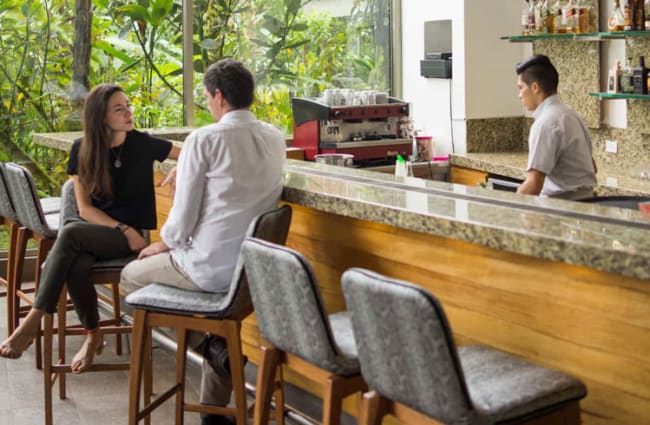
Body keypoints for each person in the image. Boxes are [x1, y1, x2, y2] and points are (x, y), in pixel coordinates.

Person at [120, 58, 286, 425]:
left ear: (219, 96)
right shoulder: (275, 137)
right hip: (253, 274)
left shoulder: (205, 139)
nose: (208, 105)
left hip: (209, 270)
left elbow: (181, 223)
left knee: (129, 276)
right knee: (218, 319)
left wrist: (163, 244)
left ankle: (208, 344)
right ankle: (213, 408)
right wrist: (190, 161)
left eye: (208, 98)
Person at [0, 84, 180, 373]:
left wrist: (179, 167)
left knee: (70, 235)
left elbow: (191, 154)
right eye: (119, 108)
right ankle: (93, 335)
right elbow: (84, 210)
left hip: (127, 238)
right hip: (100, 231)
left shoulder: (143, 144)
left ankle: (35, 318)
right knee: (76, 261)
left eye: (128, 105)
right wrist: (121, 228)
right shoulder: (81, 149)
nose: (128, 112)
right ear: (101, 117)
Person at [515, 54, 597, 200]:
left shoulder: (546, 123)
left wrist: (509, 208)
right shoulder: (571, 115)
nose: (519, 95)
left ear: (535, 87)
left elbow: (534, 185)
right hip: (586, 204)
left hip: (561, 210)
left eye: (521, 88)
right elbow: (592, 167)